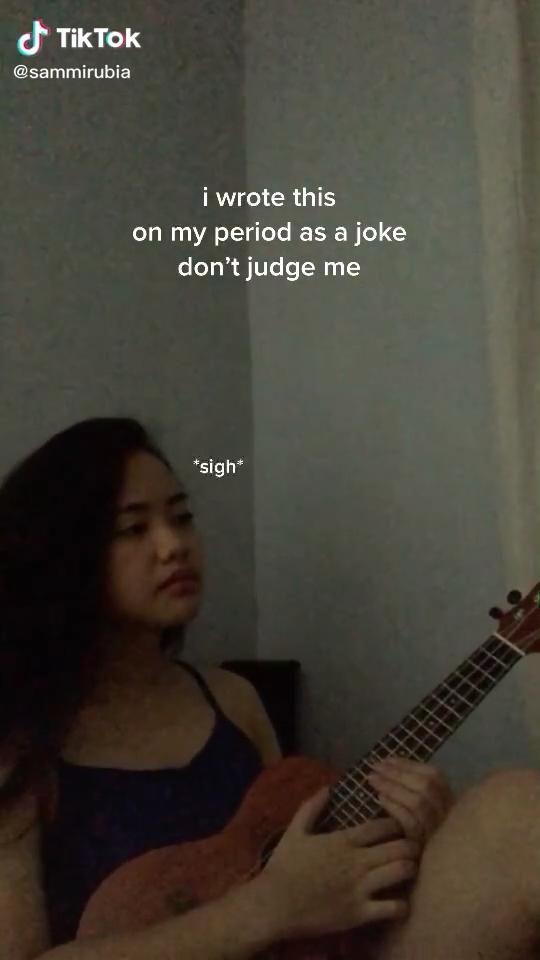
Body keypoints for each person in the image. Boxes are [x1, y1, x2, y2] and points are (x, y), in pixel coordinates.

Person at [0, 416, 539, 960]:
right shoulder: (21, 744)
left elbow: (296, 851)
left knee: (514, 810)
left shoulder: (233, 699)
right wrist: (268, 907)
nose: (174, 546)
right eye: (133, 529)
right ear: (64, 555)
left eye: (182, 518)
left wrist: (407, 832)